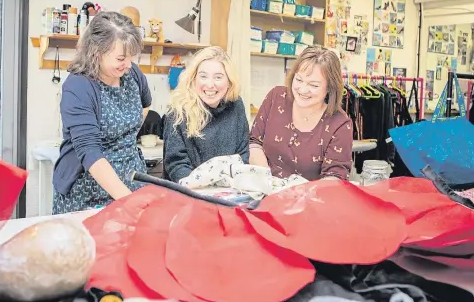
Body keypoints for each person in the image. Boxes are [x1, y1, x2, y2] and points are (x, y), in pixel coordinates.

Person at [52, 11, 152, 215]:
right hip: (88, 192)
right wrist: (128, 201)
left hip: (132, 182)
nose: (128, 64)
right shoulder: (79, 86)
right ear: (96, 52)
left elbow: (145, 105)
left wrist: (124, 139)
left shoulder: (132, 75)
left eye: (131, 57)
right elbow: (90, 152)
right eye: (121, 58)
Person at [249, 46, 353, 180]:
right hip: (265, 188)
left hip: (309, 197)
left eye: (313, 85)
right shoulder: (276, 97)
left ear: (330, 88)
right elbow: (254, 142)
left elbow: (335, 177)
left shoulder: (340, 124)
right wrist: (267, 180)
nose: (303, 90)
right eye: (298, 80)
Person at [163, 46, 249, 183]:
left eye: (218, 77)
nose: (210, 85)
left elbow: (243, 155)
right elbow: (176, 164)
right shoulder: (178, 111)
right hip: (189, 192)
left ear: (229, 81)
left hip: (228, 191)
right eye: (203, 76)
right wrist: (204, 191)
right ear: (194, 79)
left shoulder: (236, 106)